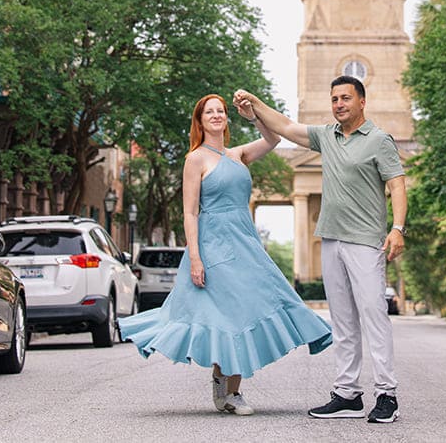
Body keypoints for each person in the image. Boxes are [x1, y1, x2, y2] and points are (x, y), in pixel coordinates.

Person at [118, 94, 333, 416]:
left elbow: (272, 138)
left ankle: (226, 384)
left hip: (244, 242)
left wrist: (253, 114)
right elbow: (190, 213)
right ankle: (230, 392)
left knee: (251, 308)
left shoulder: (238, 154)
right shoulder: (195, 159)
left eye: (221, 111)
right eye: (210, 112)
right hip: (213, 244)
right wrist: (195, 258)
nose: (217, 115)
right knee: (228, 315)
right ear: (200, 120)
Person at [234, 76, 407, 424]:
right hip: (331, 238)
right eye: (334, 99)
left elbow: (397, 184)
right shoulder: (326, 137)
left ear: (361, 102)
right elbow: (284, 125)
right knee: (342, 320)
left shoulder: (378, 140)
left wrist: (398, 228)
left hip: (365, 240)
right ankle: (347, 394)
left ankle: (386, 394)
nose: (339, 104)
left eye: (345, 98)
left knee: (373, 315)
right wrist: (255, 105)